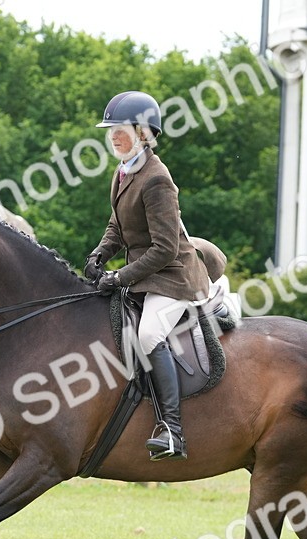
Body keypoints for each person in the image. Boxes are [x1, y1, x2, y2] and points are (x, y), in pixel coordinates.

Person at [86, 90, 210, 461]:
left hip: (173, 278)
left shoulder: (157, 179)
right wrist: (98, 255)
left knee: (149, 332)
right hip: (144, 274)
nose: (113, 137)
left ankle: (172, 429)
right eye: (110, 131)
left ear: (143, 133)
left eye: (119, 130)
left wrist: (119, 276)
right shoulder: (123, 172)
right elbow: (117, 225)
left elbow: (165, 249)